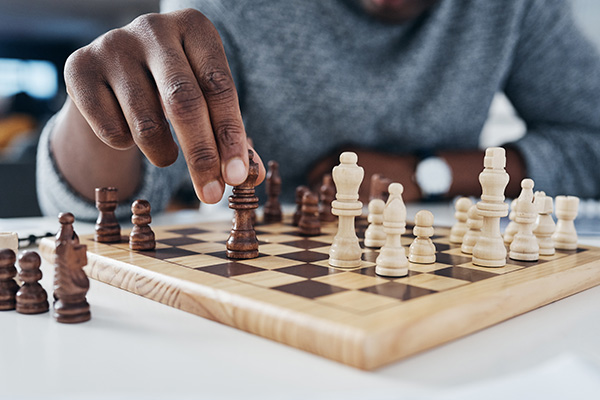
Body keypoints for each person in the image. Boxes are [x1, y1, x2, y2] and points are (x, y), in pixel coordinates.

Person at [36, 0, 600, 221]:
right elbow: (110, 207)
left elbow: (591, 140)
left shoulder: (518, 8)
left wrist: (431, 171)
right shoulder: (228, 10)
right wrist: (99, 107)